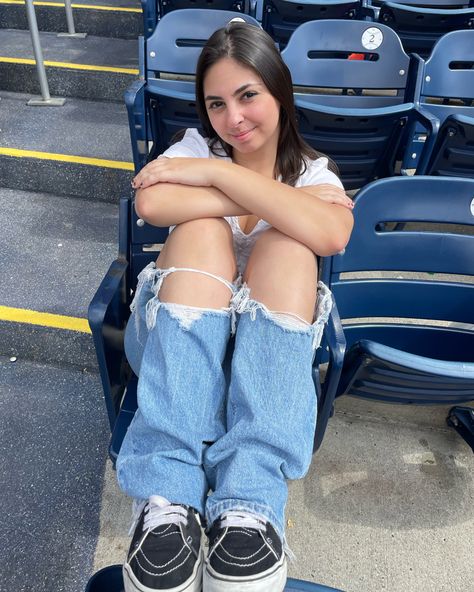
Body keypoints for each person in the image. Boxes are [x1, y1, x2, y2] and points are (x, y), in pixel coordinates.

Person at [117, 20, 354, 592]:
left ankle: (249, 502)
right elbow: (151, 201)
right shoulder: (196, 148)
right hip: (174, 336)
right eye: (216, 103)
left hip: (264, 356)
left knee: (290, 249)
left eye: (248, 96)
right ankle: (168, 495)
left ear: (280, 91)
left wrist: (214, 178)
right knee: (203, 232)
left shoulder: (314, 172)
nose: (233, 119)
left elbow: (332, 235)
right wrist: (246, 183)